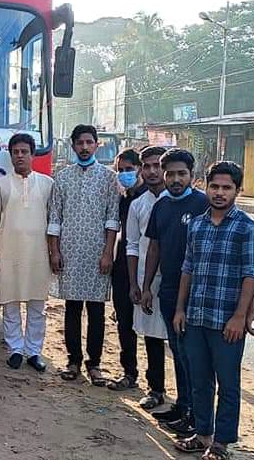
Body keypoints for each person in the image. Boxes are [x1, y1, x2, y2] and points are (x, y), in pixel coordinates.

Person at [172, 161, 254, 460]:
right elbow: (188, 268)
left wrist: (240, 316)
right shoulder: (196, 224)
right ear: (205, 186)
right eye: (215, 186)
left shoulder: (248, 227)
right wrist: (179, 309)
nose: (220, 193)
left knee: (228, 384)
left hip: (227, 322)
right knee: (199, 381)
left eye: (227, 188)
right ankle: (202, 435)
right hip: (196, 316)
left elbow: (251, 274)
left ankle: (222, 443)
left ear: (239, 190)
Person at [141, 148, 208, 437]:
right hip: (168, 290)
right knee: (178, 352)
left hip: (197, 294)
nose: (176, 179)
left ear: (192, 175)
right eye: (171, 174)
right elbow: (154, 247)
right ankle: (182, 407)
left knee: (195, 357)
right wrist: (146, 287)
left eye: (182, 173)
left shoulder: (204, 203)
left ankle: (198, 416)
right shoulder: (162, 205)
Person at [47, 124, 120, 386]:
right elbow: (54, 218)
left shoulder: (110, 178)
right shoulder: (63, 177)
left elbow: (112, 219)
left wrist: (108, 253)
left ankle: (95, 363)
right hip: (69, 252)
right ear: (73, 145)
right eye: (80, 143)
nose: (85, 147)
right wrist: (54, 251)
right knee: (72, 308)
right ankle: (73, 360)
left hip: (97, 254)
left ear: (97, 144)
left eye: (90, 142)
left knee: (97, 310)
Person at [0, 133, 53, 372]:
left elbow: (54, 222)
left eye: (24, 151)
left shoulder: (47, 184)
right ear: (10, 156)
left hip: (38, 255)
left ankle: (34, 352)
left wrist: (55, 254)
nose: (20, 156)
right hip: (7, 254)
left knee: (37, 307)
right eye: (15, 152)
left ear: (33, 155)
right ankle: (15, 349)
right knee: (10, 304)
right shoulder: (1, 185)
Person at [122, 146, 169, 410]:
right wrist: (134, 284)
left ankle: (188, 401)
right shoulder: (138, 205)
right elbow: (131, 245)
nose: (152, 171)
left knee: (179, 339)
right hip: (145, 280)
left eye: (157, 166)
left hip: (176, 279)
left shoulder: (185, 202)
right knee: (152, 336)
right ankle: (156, 389)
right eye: (147, 166)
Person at [107, 148, 148, 391]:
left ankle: (158, 385)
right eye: (120, 171)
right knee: (124, 322)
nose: (124, 174)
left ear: (139, 169)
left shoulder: (152, 198)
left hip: (148, 268)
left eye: (129, 170)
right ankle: (129, 373)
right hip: (122, 268)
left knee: (153, 331)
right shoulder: (123, 199)